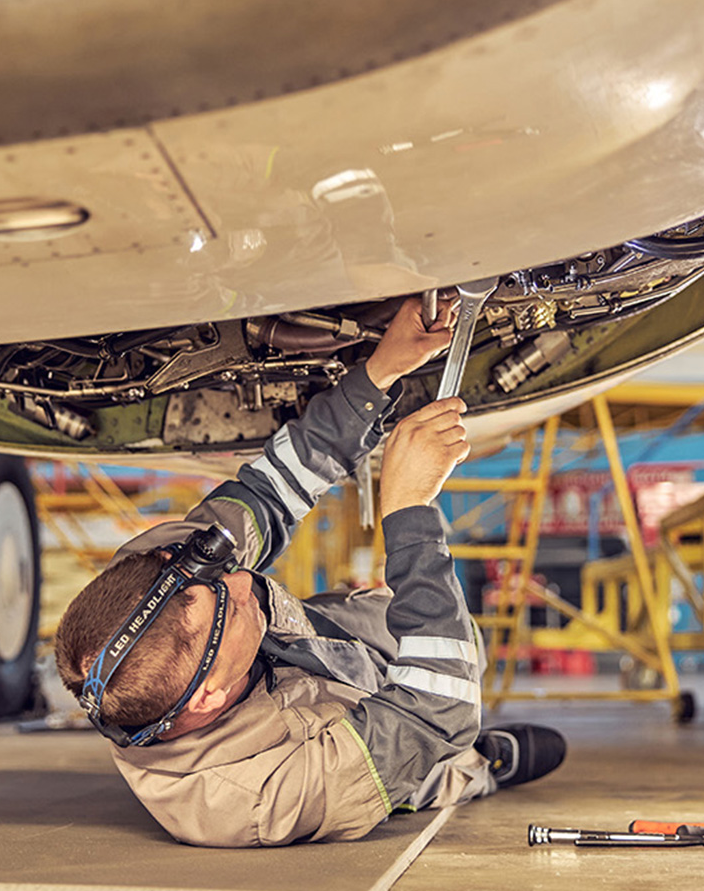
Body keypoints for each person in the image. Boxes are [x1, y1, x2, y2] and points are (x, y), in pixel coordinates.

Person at [55, 296, 566, 847]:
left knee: (464, 643)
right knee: (436, 745)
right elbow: (439, 710)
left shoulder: (158, 581)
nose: (243, 579)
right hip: (355, 739)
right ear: (206, 697)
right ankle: (482, 766)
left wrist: (375, 376)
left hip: (322, 652)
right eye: (226, 605)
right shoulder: (257, 797)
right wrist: (407, 508)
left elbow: (272, 488)